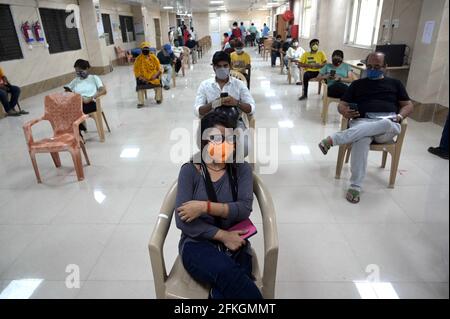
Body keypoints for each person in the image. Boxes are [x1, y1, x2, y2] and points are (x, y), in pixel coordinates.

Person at [175, 111, 262, 300]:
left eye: (229, 138)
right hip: (197, 243)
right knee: (234, 280)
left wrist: (204, 207)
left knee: (231, 287)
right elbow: (183, 222)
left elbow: (244, 209)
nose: (224, 144)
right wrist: (223, 236)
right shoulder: (190, 171)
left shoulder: (242, 169)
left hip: (236, 239)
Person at [318, 52, 414, 203]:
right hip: (362, 122)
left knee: (387, 123)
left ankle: (333, 139)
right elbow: (342, 105)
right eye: (369, 66)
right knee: (361, 139)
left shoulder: (395, 84)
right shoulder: (357, 84)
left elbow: (408, 105)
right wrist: (345, 111)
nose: (372, 69)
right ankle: (355, 186)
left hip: (387, 127)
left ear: (385, 67)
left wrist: (400, 117)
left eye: (377, 67)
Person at [194, 51, 255, 160]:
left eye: (225, 66)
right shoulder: (205, 85)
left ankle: (233, 165)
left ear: (230, 66)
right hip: (212, 123)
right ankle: (218, 165)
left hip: (235, 122)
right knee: (204, 143)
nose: (222, 69)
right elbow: (198, 110)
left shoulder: (239, 85)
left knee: (244, 146)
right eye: (218, 66)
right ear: (213, 67)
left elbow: (251, 108)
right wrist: (214, 104)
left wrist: (236, 102)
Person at [65, 59, 107, 133]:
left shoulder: (94, 78)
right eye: (77, 72)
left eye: (81, 71)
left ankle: (79, 132)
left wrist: (91, 98)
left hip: (90, 103)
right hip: (78, 103)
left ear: (87, 68)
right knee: (67, 110)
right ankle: (79, 131)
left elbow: (103, 90)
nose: (79, 74)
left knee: (72, 112)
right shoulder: (76, 80)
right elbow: (67, 90)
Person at [133, 42, 162, 107]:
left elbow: (159, 68)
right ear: (141, 50)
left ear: (149, 49)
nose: (146, 50)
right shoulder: (138, 59)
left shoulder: (153, 57)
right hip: (143, 78)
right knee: (140, 87)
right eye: (144, 49)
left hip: (153, 77)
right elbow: (136, 71)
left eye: (147, 49)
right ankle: (141, 102)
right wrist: (141, 77)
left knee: (158, 85)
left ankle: (158, 99)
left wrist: (155, 75)